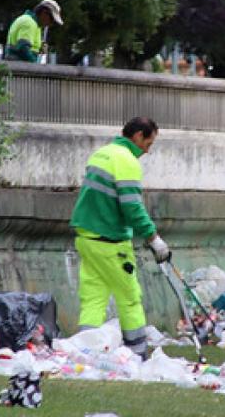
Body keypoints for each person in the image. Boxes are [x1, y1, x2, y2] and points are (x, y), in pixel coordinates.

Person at [70, 117, 170, 359]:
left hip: (86, 237)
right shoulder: (126, 162)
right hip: (111, 241)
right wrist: (153, 238)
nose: (148, 150)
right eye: (149, 142)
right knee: (130, 298)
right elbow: (132, 207)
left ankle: (86, 351)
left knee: (93, 298)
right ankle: (137, 354)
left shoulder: (102, 154)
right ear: (137, 136)